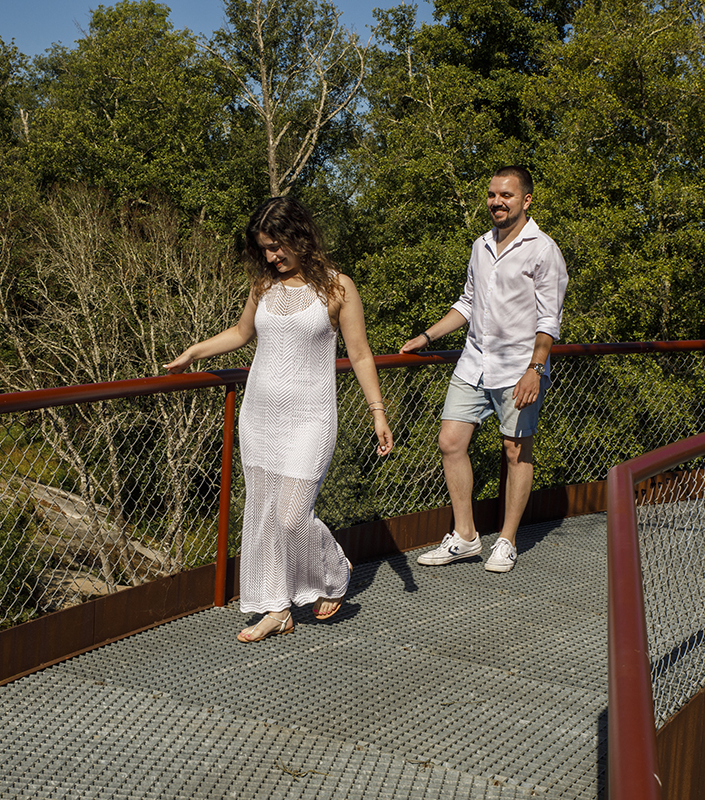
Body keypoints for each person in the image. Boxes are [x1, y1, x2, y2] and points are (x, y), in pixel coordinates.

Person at [165, 197, 393, 642]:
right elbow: (240, 333)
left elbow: (360, 353)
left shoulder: (337, 288)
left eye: (277, 246)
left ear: (300, 235)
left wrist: (377, 412)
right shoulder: (263, 286)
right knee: (265, 514)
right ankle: (276, 608)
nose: (271, 256)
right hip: (260, 417)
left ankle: (333, 567)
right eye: (264, 248)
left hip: (310, 418)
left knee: (291, 516)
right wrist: (195, 351)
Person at [400, 165, 567, 573]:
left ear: (526, 200)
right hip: (474, 361)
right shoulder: (480, 245)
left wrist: (535, 368)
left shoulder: (543, 249)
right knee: (450, 441)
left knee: (515, 450)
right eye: (492, 194)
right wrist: (427, 336)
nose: (496, 202)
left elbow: (549, 321)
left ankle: (507, 540)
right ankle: (466, 536)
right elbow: (467, 303)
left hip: (519, 368)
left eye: (506, 195)